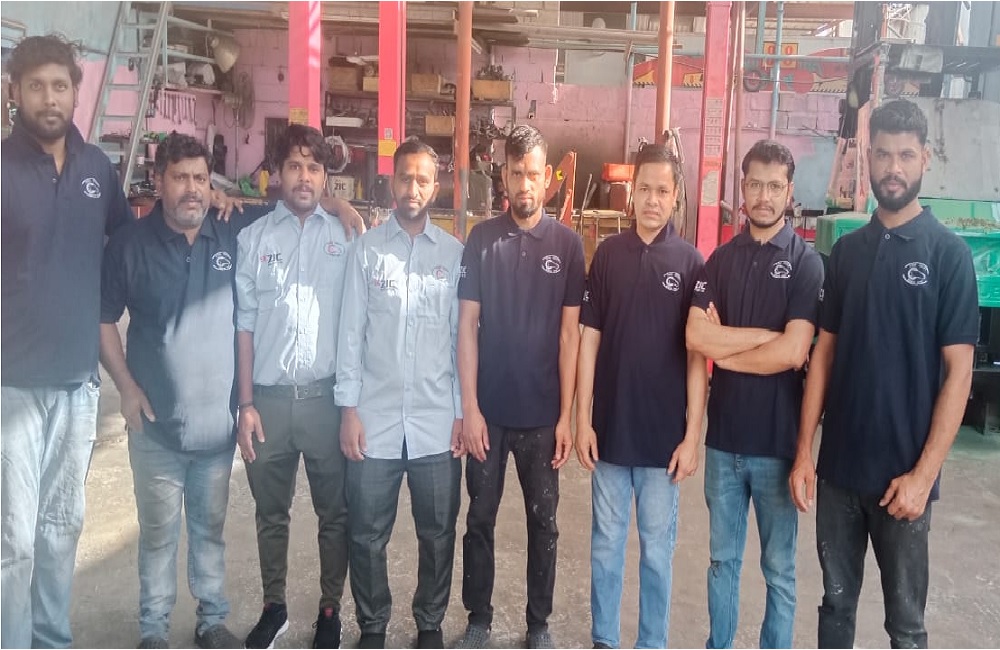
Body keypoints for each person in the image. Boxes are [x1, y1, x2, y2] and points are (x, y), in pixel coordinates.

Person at [788, 99, 979, 648]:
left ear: (925, 159)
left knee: (906, 626)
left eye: (906, 155)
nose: (893, 168)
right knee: (835, 609)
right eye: (883, 155)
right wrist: (805, 453)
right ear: (867, 158)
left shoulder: (948, 256)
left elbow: (959, 373)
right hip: (840, 474)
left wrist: (923, 476)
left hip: (904, 483)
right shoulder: (847, 253)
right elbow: (824, 354)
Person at [1, 34, 134, 649]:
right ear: (15, 92)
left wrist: (218, 201)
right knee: (13, 538)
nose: (49, 99)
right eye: (36, 87)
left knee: (60, 528)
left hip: (78, 386)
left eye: (59, 86)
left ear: (77, 92)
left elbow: (131, 242)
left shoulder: (97, 170)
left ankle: (50, 638)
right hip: (12, 385)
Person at [100, 134, 245, 649]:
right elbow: (103, 321)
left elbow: (293, 208)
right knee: (158, 534)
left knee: (209, 530)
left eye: (201, 179)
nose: (192, 189)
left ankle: (212, 620)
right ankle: (154, 629)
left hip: (216, 430)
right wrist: (126, 388)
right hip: (156, 428)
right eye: (180, 177)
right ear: (158, 181)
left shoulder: (229, 232)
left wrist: (339, 206)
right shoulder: (129, 245)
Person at [686, 139, 824, 649]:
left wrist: (725, 350)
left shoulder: (806, 264)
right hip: (723, 442)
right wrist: (765, 339)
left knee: (779, 571)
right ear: (741, 188)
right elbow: (696, 336)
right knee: (722, 562)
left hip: (776, 446)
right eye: (755, 184)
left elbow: (795, 351)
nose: (763, 196)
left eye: (774, 186)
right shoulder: (719, 261)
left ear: (789, 191)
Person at [456, 125, 585, 650]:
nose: (525, 184)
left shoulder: (568, 246)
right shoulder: (482, 240)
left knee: (543, 524)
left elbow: (570, 336)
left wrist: (566, 418)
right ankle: (479, 619)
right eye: (515, 173)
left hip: (541, 417)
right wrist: (470, 409)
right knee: (479, 519)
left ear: (547, 176)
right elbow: (467, 326)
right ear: (504, 176)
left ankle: (538, 624)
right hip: (489, 414)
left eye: (533, 173)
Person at [576, 144, 707, 649]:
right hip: (610, 434)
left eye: (663, 191)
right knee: (605, 548)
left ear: (675, 198)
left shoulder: (691, 263)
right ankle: (604, 640)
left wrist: (692, 437)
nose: (653, 200)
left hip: (662, 444)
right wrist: (582, 419)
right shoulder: (609, 256)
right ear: (632, 193)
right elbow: (589, 339)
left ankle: (652, 643)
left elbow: (697, 358)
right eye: (645, 189)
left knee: (657, 554)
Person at [336, 138, 465, 650]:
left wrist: (461, 413)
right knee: (367, 533)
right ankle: (373, 625)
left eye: (423, 180)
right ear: (392, 181)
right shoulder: (366, 251)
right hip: (376, 421)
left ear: (436, 188)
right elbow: (351, 334)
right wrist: (349, 410)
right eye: (406, 177)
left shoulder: (453, 255)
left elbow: (460, 341)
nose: (413, 188)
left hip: (435, 422)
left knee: (438, 533)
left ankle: (429, 623)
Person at [235, 124, 352, 649]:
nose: (304, 177)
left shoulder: (346, 237)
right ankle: (274, 606)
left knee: (334, 513)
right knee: (270, 513)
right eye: (294, 166)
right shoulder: (253, 239)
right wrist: (246, 403)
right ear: (277, 174)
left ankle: (330, 608)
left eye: (314, 167)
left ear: (326, 177)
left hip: (326, 402)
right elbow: (244, 325)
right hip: (270, 403)